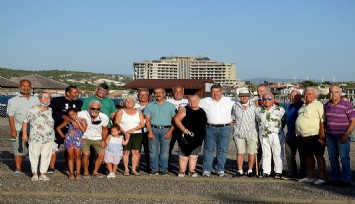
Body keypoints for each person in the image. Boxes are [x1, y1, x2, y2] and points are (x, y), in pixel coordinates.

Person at [200, 84, 235, 177]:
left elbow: (243, 102)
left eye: (217, 91)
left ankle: (220, 169)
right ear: (210, 92)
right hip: (210, 128)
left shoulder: (230, 100)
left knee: (222, 150)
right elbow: (192, 103)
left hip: (225, 128)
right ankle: (207, 169)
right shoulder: (204, 101)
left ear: (221, 91)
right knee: (208, 150)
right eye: (213, 92)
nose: (215, 94)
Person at [7, 79, 40, 176]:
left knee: (34, 149)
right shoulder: (13, 100)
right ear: (19, 87)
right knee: (18, 150)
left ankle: (34, 168)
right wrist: (13, 130)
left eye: (27, 86)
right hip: (18, 128)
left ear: (31, 87)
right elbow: (10, 116)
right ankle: (18, 168)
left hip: (34, 130)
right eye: (23, 86)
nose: (25, 88)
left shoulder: (36, 99)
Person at [324, 86, 355, 187]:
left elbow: (353, 121)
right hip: (330, 137)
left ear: (340, 93)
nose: (334, 94)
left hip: (342, 136)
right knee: (332, 158)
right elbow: (324, 121)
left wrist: (346, 134)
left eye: (336, 92)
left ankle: (346, 179)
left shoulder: (346, 104)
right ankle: (335, 178)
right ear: (329, 93)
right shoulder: (327, 105)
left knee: (344, 158)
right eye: (332, 92)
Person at [48, 85, 82, 174]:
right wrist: (70, 120)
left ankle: (68, 166)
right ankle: (51, 166)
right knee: (54, 148)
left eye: (77, 92)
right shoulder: (56, 100)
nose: (76, 94)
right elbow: (56, 113)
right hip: (58, 127)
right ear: (67, 92)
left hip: (72, 130)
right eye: (74, 92)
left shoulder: (79, 103)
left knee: (69, 148)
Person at [296, 87, 326, 185]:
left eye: (310, 94)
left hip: (314, 134)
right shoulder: (303, 105)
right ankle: (310, 176)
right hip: (302, 135)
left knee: (319, 156)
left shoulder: (318, 105)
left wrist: (322, 134)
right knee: (307, 156)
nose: (307, 95)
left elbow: (322, 120)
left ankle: (322, 177)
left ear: (315, 95)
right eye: (306, 93)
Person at [22, 92, 54, 181]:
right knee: (34, 155)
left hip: (48, 138)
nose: (46, 99)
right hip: (35, 137)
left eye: (48, 98)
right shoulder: (33, 109)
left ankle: (42, 173)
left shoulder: (50, 110)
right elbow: (25, 122)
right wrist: (24, 134)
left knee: (46, 155)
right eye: (44, 97)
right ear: (39, 99)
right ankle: (35, 173)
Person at [144, 88, 176, 176]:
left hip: (166, 129)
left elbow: (175, 121)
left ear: (164, 94)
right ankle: (154, 169)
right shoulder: (149, 106)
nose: (158, 94)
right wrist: (150, 132)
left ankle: (163, 169)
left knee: (165, 151)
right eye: (156, 93)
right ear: (154, 94)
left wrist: (170, 131)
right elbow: (147, 121)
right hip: (153, 129)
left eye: (160, 93)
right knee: (153, 151)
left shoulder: (171, 106)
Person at [174, 95, 207, 178]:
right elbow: (176, 120)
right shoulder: (184, 110)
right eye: (190, 100)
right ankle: (182, 170)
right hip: (186, 136)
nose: (192, 102)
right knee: (184, 153)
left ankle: (192, 170)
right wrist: (183, 129)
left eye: (195, 100)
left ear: (199, 101)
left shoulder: (202, 111)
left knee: (194, 154)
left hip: (198, 136)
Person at [255, 92, 285, 179]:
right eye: (264, 99)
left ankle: (278, 171)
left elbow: (284, 120)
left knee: (278, 153)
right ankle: (266, 171)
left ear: (273, 100)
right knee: (266, 153)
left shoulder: (280, 109)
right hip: (264, 135)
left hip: (276, 134)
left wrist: (278, 130)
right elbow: (257, 122)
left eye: (269, 99)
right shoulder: (258, 110)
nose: (266, 101)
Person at [114, 95, 145, 176]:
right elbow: (116, 123)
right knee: (126, 152)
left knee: (136, 152)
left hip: (137, 134)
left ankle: (134, 169)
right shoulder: (121, 111)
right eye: (127, 101)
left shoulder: (139, 112)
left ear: (134, 103)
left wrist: (132, 130)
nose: (128, 103)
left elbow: (142, 124)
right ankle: (126, 169)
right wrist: (124, 132)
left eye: (131, 101)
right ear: (124, 103)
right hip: (123, 133)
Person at [78, 100, 109, 178]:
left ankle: (95, 171)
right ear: (89, 108)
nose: (95, 111)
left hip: (98, 137)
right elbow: (70, 116)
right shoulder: (81, 114)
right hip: (84, 137)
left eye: (97, 109)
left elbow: (105, 129)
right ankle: (85, 171)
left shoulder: (104, 117)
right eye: (93, 108)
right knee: (86, 154)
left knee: (101, 154)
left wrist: (104, 140)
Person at [233, 89, 258, 177]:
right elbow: (232, 116)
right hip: (239, 133)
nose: (244, 97)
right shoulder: (235, 105)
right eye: (242, 96)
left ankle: (250, 170)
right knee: (240, 152)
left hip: (251, 133)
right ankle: (240, 170)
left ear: (249, 96)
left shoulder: (254, 105)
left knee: (251, 153)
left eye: (246, 96)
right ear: (239, 97)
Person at [282, 90, 307, 180]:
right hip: (290, 134)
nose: (292, 98)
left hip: (300, 135)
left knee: (302, 155)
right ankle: (292, 173)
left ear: (300, 97)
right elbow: (284, 119)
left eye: (295, 96)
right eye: (291, 96)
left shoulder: (304, 106)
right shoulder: (289, 106)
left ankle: (302, 174)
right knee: (289, 155)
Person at [56, 108, 87, 179]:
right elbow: (58, 128)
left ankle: (78, 173)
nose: (71, 116)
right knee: (70, 157)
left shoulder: (83, 120)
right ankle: (71, 173)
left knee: (78, 157)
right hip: (69, 140)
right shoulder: (68, 121)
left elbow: (83, 130)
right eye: (69, 115)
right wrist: (63, 136)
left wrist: (78, 122)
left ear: (77, 113)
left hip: (78, 141)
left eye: (73, 114)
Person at [166, 86, 189, 166]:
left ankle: (184, 167)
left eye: (179, 92)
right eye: (176, 92)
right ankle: (166, 165)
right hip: (170, 127)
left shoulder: (188, 102)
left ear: (183, 93)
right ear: (173, 92)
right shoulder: (167, 101)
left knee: (184, 147)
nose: (177, 93)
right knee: (168, 147)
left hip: (183, 128)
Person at [134, 89, 151, 172]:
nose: (143, 96)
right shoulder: (133, 105)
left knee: (149, 150)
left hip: (148, 130)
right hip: (137, 131)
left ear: (148, 96)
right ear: (138, 96)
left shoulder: (152, 105)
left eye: (145, 95)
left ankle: (149, 166)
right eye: (141, 95)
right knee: (136, 150)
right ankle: (136, 166)